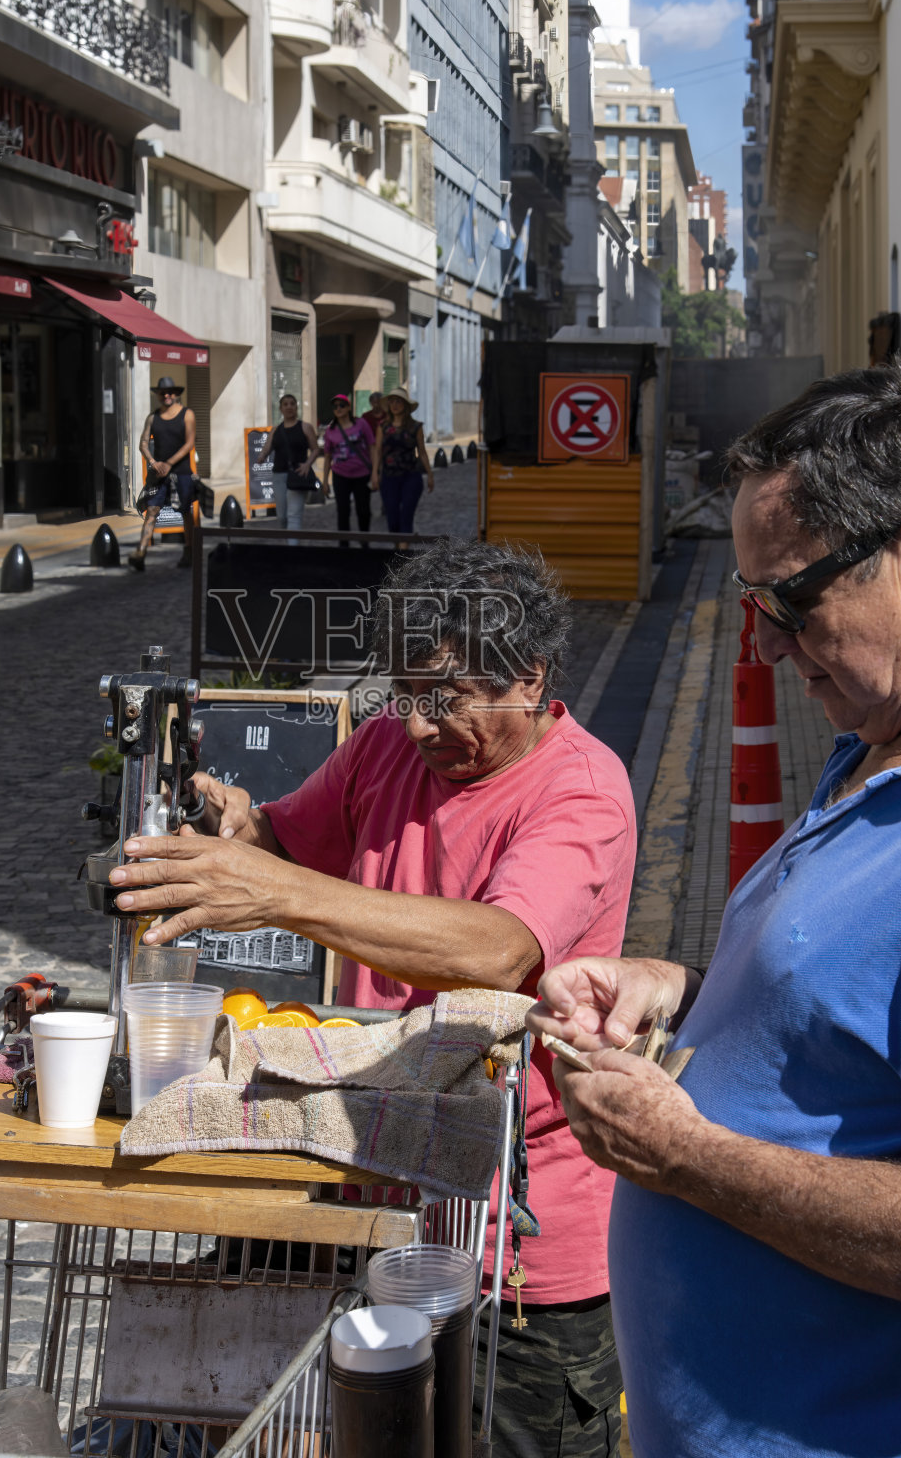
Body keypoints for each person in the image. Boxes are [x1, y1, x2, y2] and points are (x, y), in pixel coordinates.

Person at [107, 539, 637, 1457]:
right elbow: (289, 842)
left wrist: (272, 891)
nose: (418, 725)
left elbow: (498, 948)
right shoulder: (388, 744)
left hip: (511, 1245)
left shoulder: (580, 792)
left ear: (528, 676)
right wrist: (241, 830)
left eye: (444, 697)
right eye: (403, 694)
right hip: (367, 1196)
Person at [527, 365, 901, 1458]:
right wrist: (676, 989)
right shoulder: (867, 746)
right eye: (751, 604)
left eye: (790, 600)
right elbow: (840, 1020)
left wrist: (683, 1156)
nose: (769, 643)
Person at [129, 377, 196, 573]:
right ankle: (141, 552)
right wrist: (153, 462)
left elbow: (189, 443)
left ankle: (189, 551)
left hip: (181, 472)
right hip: (159, 474)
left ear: (176, 394)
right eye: (162, 392)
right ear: (157, 395)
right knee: (151, 510)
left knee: (185, 511)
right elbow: (143, 443)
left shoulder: (187, 414)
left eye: (170, 392)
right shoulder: (153, 417)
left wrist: (169, 463)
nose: (166, 395)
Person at [371, 387, 434, 545]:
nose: (395, 405)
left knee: (406, 516)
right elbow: (378, 451)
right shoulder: (383, 427)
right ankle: (398, 549)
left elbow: (422, 452)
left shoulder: (416, 427)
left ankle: (403, 554)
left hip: (411, 477)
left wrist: (430, 474)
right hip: (389, 477)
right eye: (392, 401)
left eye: (398, 401)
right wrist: (375, 473)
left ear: (405, 405)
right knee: (392, 518)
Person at [259, 394, 318, 544]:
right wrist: (262, 457)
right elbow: (267, 448)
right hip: (279, 476)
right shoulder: (276, 430)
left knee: (294, 515)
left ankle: (292, 549)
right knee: (282, 517)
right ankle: (288, 543)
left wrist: (307, 464)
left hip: (297, 475)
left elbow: (316, 449)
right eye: (285, 404)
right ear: (281, 409)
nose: (289, 407)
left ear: (296, 407)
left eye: (292, 403)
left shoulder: (305, 427)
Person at [321, 392, 374, 543]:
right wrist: (325, 481)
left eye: (342, 405)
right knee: (343, 511)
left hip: (362, 474)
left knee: (363, 511)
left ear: (349, 407)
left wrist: (375, 473)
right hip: (340, 475)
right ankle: (344, 545)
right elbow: (327, 457)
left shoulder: (361, 424)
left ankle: (364, 542)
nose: (338, 408)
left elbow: (372, 447)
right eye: (335, 406)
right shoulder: (330, 430)